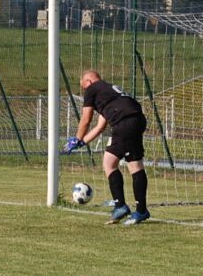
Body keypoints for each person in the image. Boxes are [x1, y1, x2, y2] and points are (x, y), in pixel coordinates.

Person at [63, 69, 150, 225]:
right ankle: (129, 208)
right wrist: (81, 142)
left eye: (83, 86)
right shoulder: (108, 92)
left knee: (123, 164)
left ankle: (132, 208)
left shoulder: (92, 88)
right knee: (119, 163)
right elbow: (99, 127)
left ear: (88, 81)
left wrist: (76, 138)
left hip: (124, 122)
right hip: (134, 120)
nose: (84, 91)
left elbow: (86, 119)